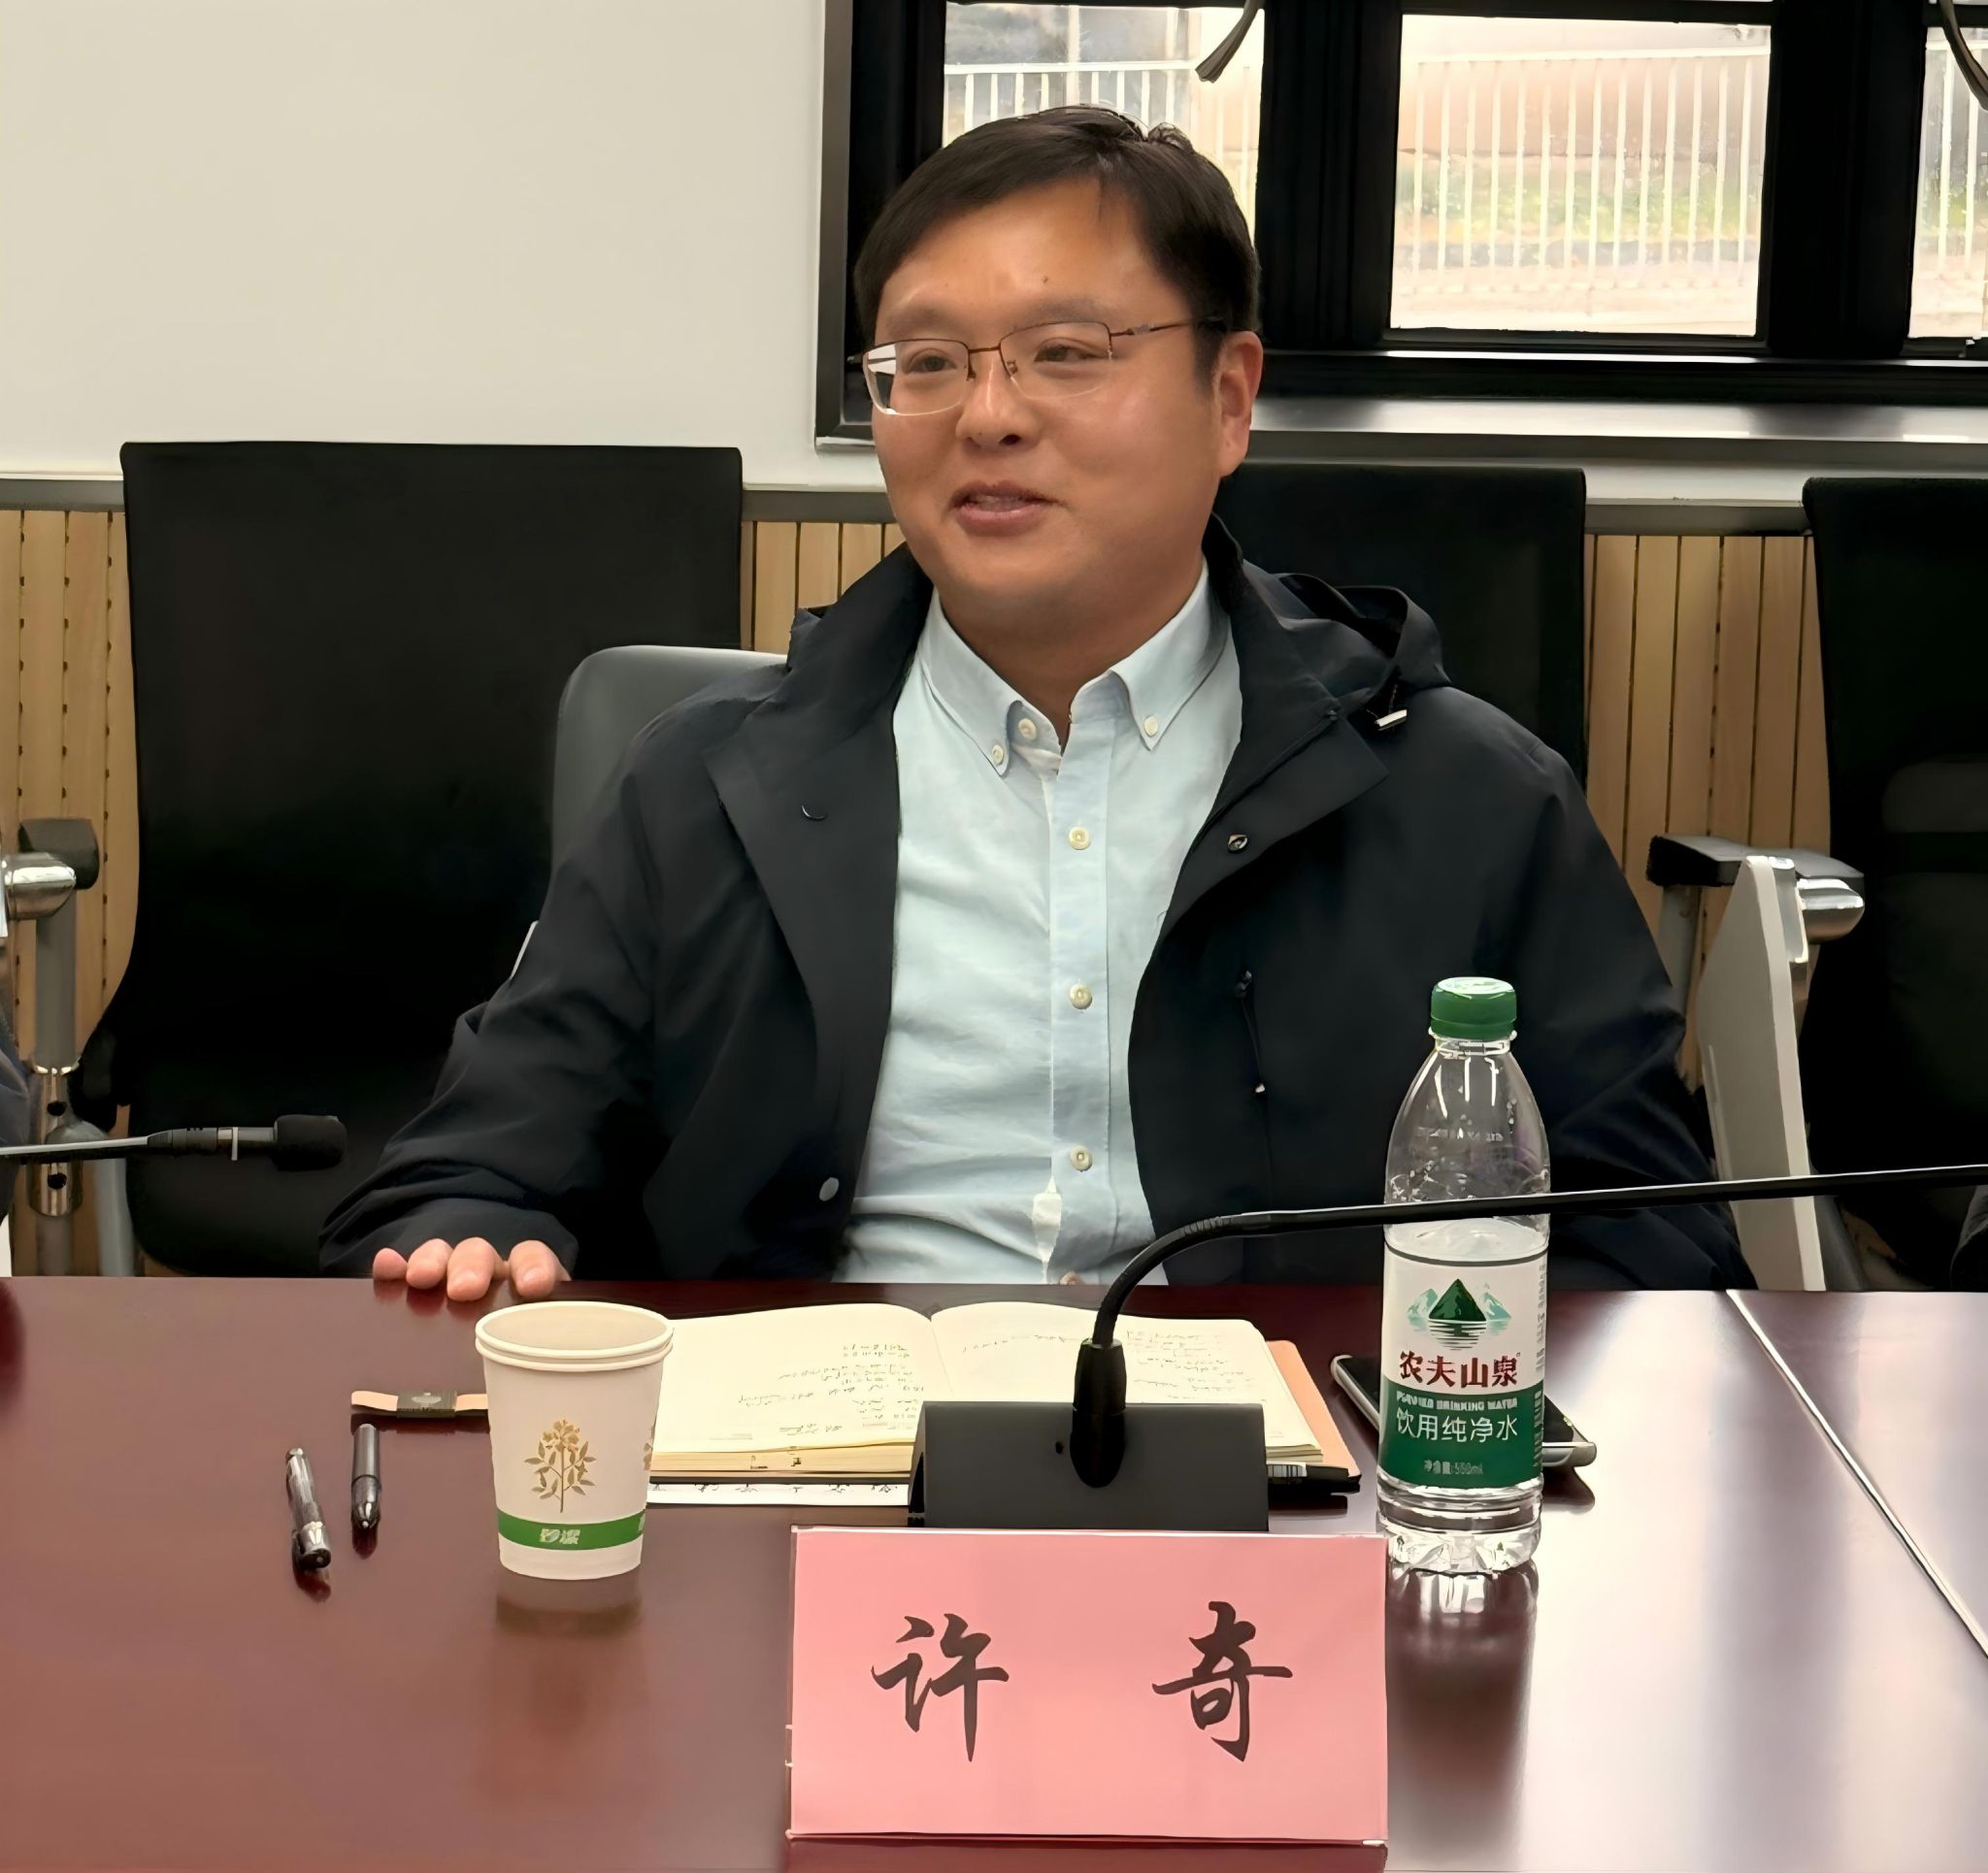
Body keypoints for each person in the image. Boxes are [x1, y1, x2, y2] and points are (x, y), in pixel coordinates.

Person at [323, 106, 1742, 1301]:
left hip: (1306, 1485)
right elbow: (468, 1171)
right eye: (927, 364)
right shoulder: (702, 792)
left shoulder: (1467, 797)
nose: (987, 415)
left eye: (1066, 351)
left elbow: (1655, 1255)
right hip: (808, 1480)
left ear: (1230, 398)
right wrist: (473, 1237)